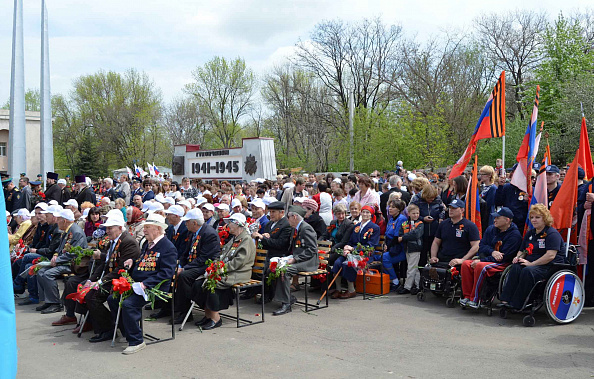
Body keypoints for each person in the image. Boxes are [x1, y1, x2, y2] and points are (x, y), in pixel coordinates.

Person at [108, 213, 177, 354]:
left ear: (158, 229)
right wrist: (133, 263)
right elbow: (143, 262)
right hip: (138, 284)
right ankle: (128, 332)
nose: (144, 230)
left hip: (154, 287)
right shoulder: (147, 243)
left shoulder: (167, 247)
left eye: (148, 227)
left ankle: (136, 341)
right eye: (144, 227)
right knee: (113, 299)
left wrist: (146, 284)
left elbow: (166, 273)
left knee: (129, 304)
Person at [81, 211, 141, 342]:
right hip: (112, 279)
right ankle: (104, 325)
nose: (107, 231)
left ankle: (108, 329)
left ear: (120, 228)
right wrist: (92, 279)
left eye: (110, 228)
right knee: (86, 291)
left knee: (93, 296)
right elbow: (104, 264)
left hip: (123, 281)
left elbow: (121, 269)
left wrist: (101, 281)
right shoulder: (113, 241)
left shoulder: (128, 242)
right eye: (106, 228)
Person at [191, 213, 255, 329]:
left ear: (237, 224)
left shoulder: (246, 240)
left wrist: (219, 270)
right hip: (227, 270)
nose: (227, 226)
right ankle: (208, 315)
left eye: (230, 223)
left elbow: (238, 262)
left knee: (213, 284)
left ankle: (216, 318)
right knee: (198, 283)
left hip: (240, 272)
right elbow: (222, 256)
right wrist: (214, 265)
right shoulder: (234, 238)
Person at [499, 204, 564, 310]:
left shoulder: (552, 234)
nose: (534, 220)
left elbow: (550, 255)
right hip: (531, 263)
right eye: (532, 217)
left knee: (527, 271)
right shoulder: (530, 233)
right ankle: (505, 299)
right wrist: (518, 257)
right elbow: (523, 250)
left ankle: (519, 303)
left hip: (549, 266)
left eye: (537, 217)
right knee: (515, 267)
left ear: (545, 218)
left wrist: (532, 264)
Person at [460, 207, 522, 308]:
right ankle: (467, 296)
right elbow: (482, 246)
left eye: (498, 218)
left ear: (507, 220)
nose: (494, 220)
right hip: (488, 258)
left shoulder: (514, 235)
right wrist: (492, 252)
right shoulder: (491, 229)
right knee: (466, 264)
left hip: (502, 263)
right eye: (495, 217)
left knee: (480, 266)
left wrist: (482, 260)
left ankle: (476, 299)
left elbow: (503, 257)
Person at [36, 209, 88, 314]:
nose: (57, 221)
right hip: (64, 261)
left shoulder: (76, 232)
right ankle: (49, 300)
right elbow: (60, 248)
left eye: (59, 219)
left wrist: (58, 260)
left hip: (72, 264)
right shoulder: (67, 230)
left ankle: (55, 303)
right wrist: (55, 255)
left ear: (64, 220)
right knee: (40, 272)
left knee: (48, 274)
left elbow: (74, 253)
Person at [272, 205, 319, 315]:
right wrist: (285, 258)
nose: (287, 220)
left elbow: (312, 249)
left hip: (309, 262)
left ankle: (286, 303)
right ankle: (288, 297)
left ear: (294, 217)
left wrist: (294, 259)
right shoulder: (295, 228)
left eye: (288, 217)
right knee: (274, 267)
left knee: (285, 271)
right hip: (299, 259)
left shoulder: (306, 228)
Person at [331, 205, 380, 299]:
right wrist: (346, 248)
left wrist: (354, 249)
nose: (365, 214)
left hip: (365, 254)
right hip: (352, 252)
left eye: (367, 212)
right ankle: (338, 289)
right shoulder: (356, 226)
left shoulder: (374, 227)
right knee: (337, 262)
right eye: (363, 212)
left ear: (371, 215)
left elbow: (371, 245)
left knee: (348, 264)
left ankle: (351, 290)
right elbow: (351, 241)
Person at [251, 201, 292, 303]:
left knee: (265, 268)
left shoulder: (286, 225)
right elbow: (267, 242)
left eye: (274, 212)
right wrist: (264, 237)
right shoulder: (269, 224)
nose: (271, 214)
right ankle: (259, 291)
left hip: (280, 255)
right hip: (268, 254)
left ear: (282, 212)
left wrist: (263, 238)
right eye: (270, 212)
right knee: (253, 266)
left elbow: (280, 244)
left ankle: (269, 293)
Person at [429, 199, 480, 267]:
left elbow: (476, 246)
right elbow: (436, 242)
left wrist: (463, 260)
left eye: (454, 208)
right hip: (442, 260)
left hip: (458, 262)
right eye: (450, 208)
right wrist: (433, 257)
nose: (451, 210)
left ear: (462, 210)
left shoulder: (470, 226)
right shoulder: (443, 224)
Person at [411, 183, 445, 267]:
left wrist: (441, 218)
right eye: (429, 198)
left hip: (434, 230)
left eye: (433, 198)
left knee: (435, 254)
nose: (432, 200)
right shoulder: (416, 199)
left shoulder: (437, 198)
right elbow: (411, 213)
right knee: (422, 256)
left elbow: (442, 210)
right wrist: (423, 218)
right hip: (421, 231)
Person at [396, 204, 424, 294]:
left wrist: (403, 237)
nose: (416, 215)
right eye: (413, 213)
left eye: (417, 213)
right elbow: (400, 233)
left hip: (415, 248)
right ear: (409, 214)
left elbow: (416, 234)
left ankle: (407, 287)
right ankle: (418, 285)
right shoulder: (405, 224)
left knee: (411, 268)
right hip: (407, 248)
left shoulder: (420, 224)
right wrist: (402, 236)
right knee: (414, 268)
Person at [495, 164, 529, 233]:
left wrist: (527, 201)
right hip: (507, 224)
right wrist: (500, 186)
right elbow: (498, 202)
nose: (512, 174)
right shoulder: (507, 187)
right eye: (512, 172)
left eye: (515, 172)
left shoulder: (528, 189)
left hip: (521, 225)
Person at [382, 200, 408, 290]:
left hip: (399, 249)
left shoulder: (402, 219)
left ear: (399, 209)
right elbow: (387, 235)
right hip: (390, 246)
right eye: (389, 206)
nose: (390, 209)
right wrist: (385, 245)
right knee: (377, 257)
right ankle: (390, 279)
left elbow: (397, 237)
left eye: (393, 207)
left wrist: (388, 247)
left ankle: (395, 281)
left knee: (384, 258)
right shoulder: (391, 219)